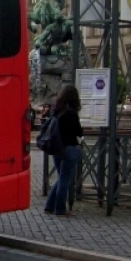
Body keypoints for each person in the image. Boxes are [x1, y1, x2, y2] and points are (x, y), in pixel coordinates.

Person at [44, 85, 84, 217]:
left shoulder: (55, 109)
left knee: (61, 177)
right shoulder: (71, 113)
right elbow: (78, 131)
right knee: (64, 180)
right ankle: (60, 209)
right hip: (69, 148)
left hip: (56, 148)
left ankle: (49, 206)